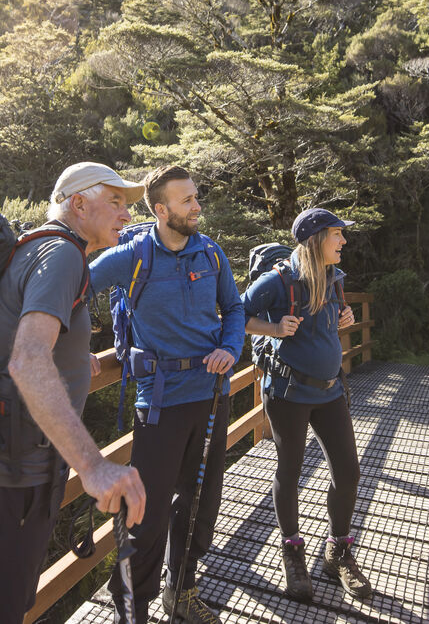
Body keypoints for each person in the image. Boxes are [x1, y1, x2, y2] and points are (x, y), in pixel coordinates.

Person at [0, 162, 149, 624]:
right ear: (78, 203)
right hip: (10, 469)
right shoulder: (61, 255)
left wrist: (76, 357)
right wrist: (93, 466)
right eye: (115, 202)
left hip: (7, 459)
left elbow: (30, 341)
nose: (126, 214)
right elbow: (27, 358)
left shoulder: (45, 248)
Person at [89, 165, 246, 624]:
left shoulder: (210, 253)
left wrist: (230, 347)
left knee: (200, 505)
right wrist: (78, 345)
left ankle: (181, 591)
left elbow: (234, 308)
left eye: (196, 197)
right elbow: (71, 290)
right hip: (159, 403)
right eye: (187, 200)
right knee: (147, 513)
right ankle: (132, 610)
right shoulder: (132, 256)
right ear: (161, 209)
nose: (197, 207)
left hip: (211, 394)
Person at [241, 207, 373, 603]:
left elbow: (327, 322)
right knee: (290, 471)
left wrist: (344, 314)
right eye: (337, 234)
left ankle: (338, 551)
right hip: (288, 393)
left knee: (348, 471)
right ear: (316, 240)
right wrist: (273, 328)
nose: (343, 241)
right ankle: (292, 551)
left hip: (330, 392)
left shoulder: (334, 278)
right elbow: (234, 315)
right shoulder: (278, 281)